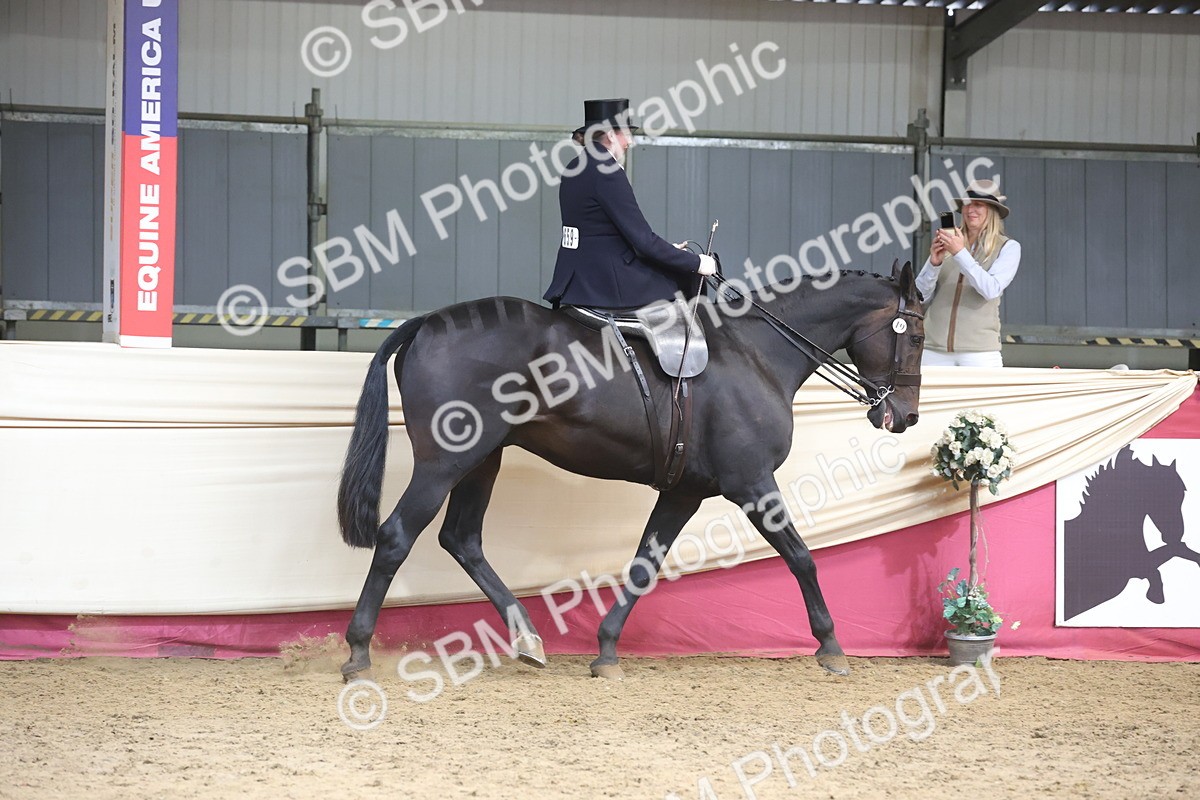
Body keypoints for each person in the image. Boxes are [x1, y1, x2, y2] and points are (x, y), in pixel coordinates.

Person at [543, 98, 717, 310]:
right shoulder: (608, 171)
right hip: (605, 278)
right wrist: (697, 263)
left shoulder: (574, 166)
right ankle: (687, 344)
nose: (630, 142)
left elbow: (600, 230)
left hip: (573, 274)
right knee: (689, 279)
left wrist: (669, 251)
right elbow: (643, 240)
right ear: (610, 135)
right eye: (627, 134)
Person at [916, 179, 1022, 367]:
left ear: (992, 211)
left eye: (978, 204)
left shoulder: (1008, 247)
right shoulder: (949, 242)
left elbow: (991, 289)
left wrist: (959, 253)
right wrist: (934, 263)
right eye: (967, 204)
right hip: (933, 350)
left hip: (980, 353)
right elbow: (919, 297)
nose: (970, 209)